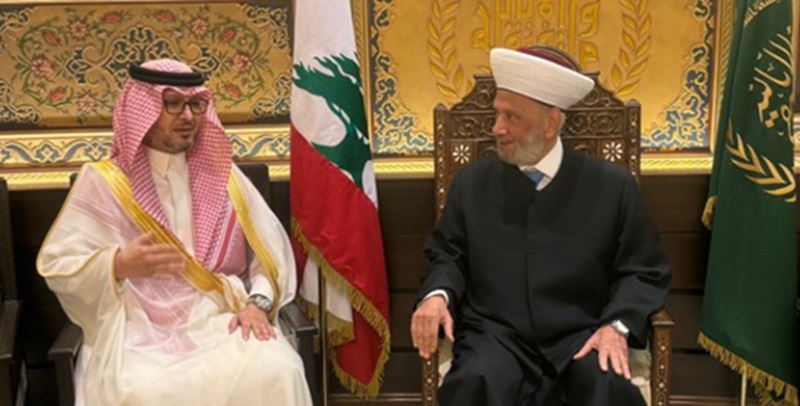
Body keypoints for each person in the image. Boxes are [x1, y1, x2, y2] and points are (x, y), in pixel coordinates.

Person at [37, 59, 313, 405]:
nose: (187, 116)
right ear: (141, 110)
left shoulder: (225, 178)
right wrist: (117, 265)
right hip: (139, 332)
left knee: (280, 370)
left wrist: (257, 304)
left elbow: (268, 259)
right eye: (172, 104)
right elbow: (58, 264)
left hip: (221, 318)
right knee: (145, 392)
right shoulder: (105, 182)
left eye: (195, 104)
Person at [410, 46, 672, 406]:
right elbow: (447, 255)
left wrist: (616, 326)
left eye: (511, 117)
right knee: (475, 381)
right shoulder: (471, 184)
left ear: (550, 123)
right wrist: (437, 297)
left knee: (608, 387)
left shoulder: (613, 187)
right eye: (497, 113)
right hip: (495, 337)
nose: (496, 128)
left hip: (583, 334)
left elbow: (643, 270)